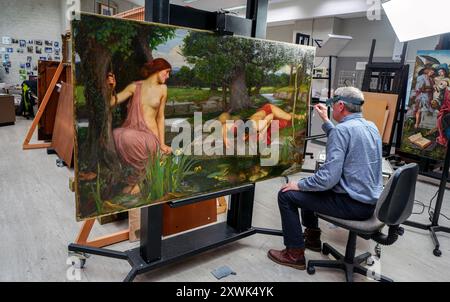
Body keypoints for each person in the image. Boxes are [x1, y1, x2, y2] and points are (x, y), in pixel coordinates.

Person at [267, 87, 383, 270]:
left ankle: (294, 254)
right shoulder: (371, 126)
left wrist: (298, 184)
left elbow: (327, 180)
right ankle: (312, 239)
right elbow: (347, 139)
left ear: (341, 105)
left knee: (287, 194)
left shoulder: (342, 131)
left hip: (352, 205)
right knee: (309, 185)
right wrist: (327, 121)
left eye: (332, 104)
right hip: (369, 202)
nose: (331, 107)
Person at [108, 58, 173, 195]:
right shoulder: (135, 86)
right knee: (117, 133)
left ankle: (139, 181)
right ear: (157, 70)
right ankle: (134, 181)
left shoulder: (163, 89)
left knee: (126, 135)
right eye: (166, 72)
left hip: (150, 136)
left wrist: (162, 143)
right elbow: (113, 102)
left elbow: (160, 117)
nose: (168, 76)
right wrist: (111, 88)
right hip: (133, 130)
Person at [218, 104, 305, 147]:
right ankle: (290, 114)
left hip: (270, 111)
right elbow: (225, 126)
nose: (243, 138)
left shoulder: (257, 126)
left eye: (244, 136)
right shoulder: (238, 125)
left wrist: (263, 131)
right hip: (260, 117)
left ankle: (297, 115)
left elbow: (271, 116)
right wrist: (225, 139)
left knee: (289, 118)